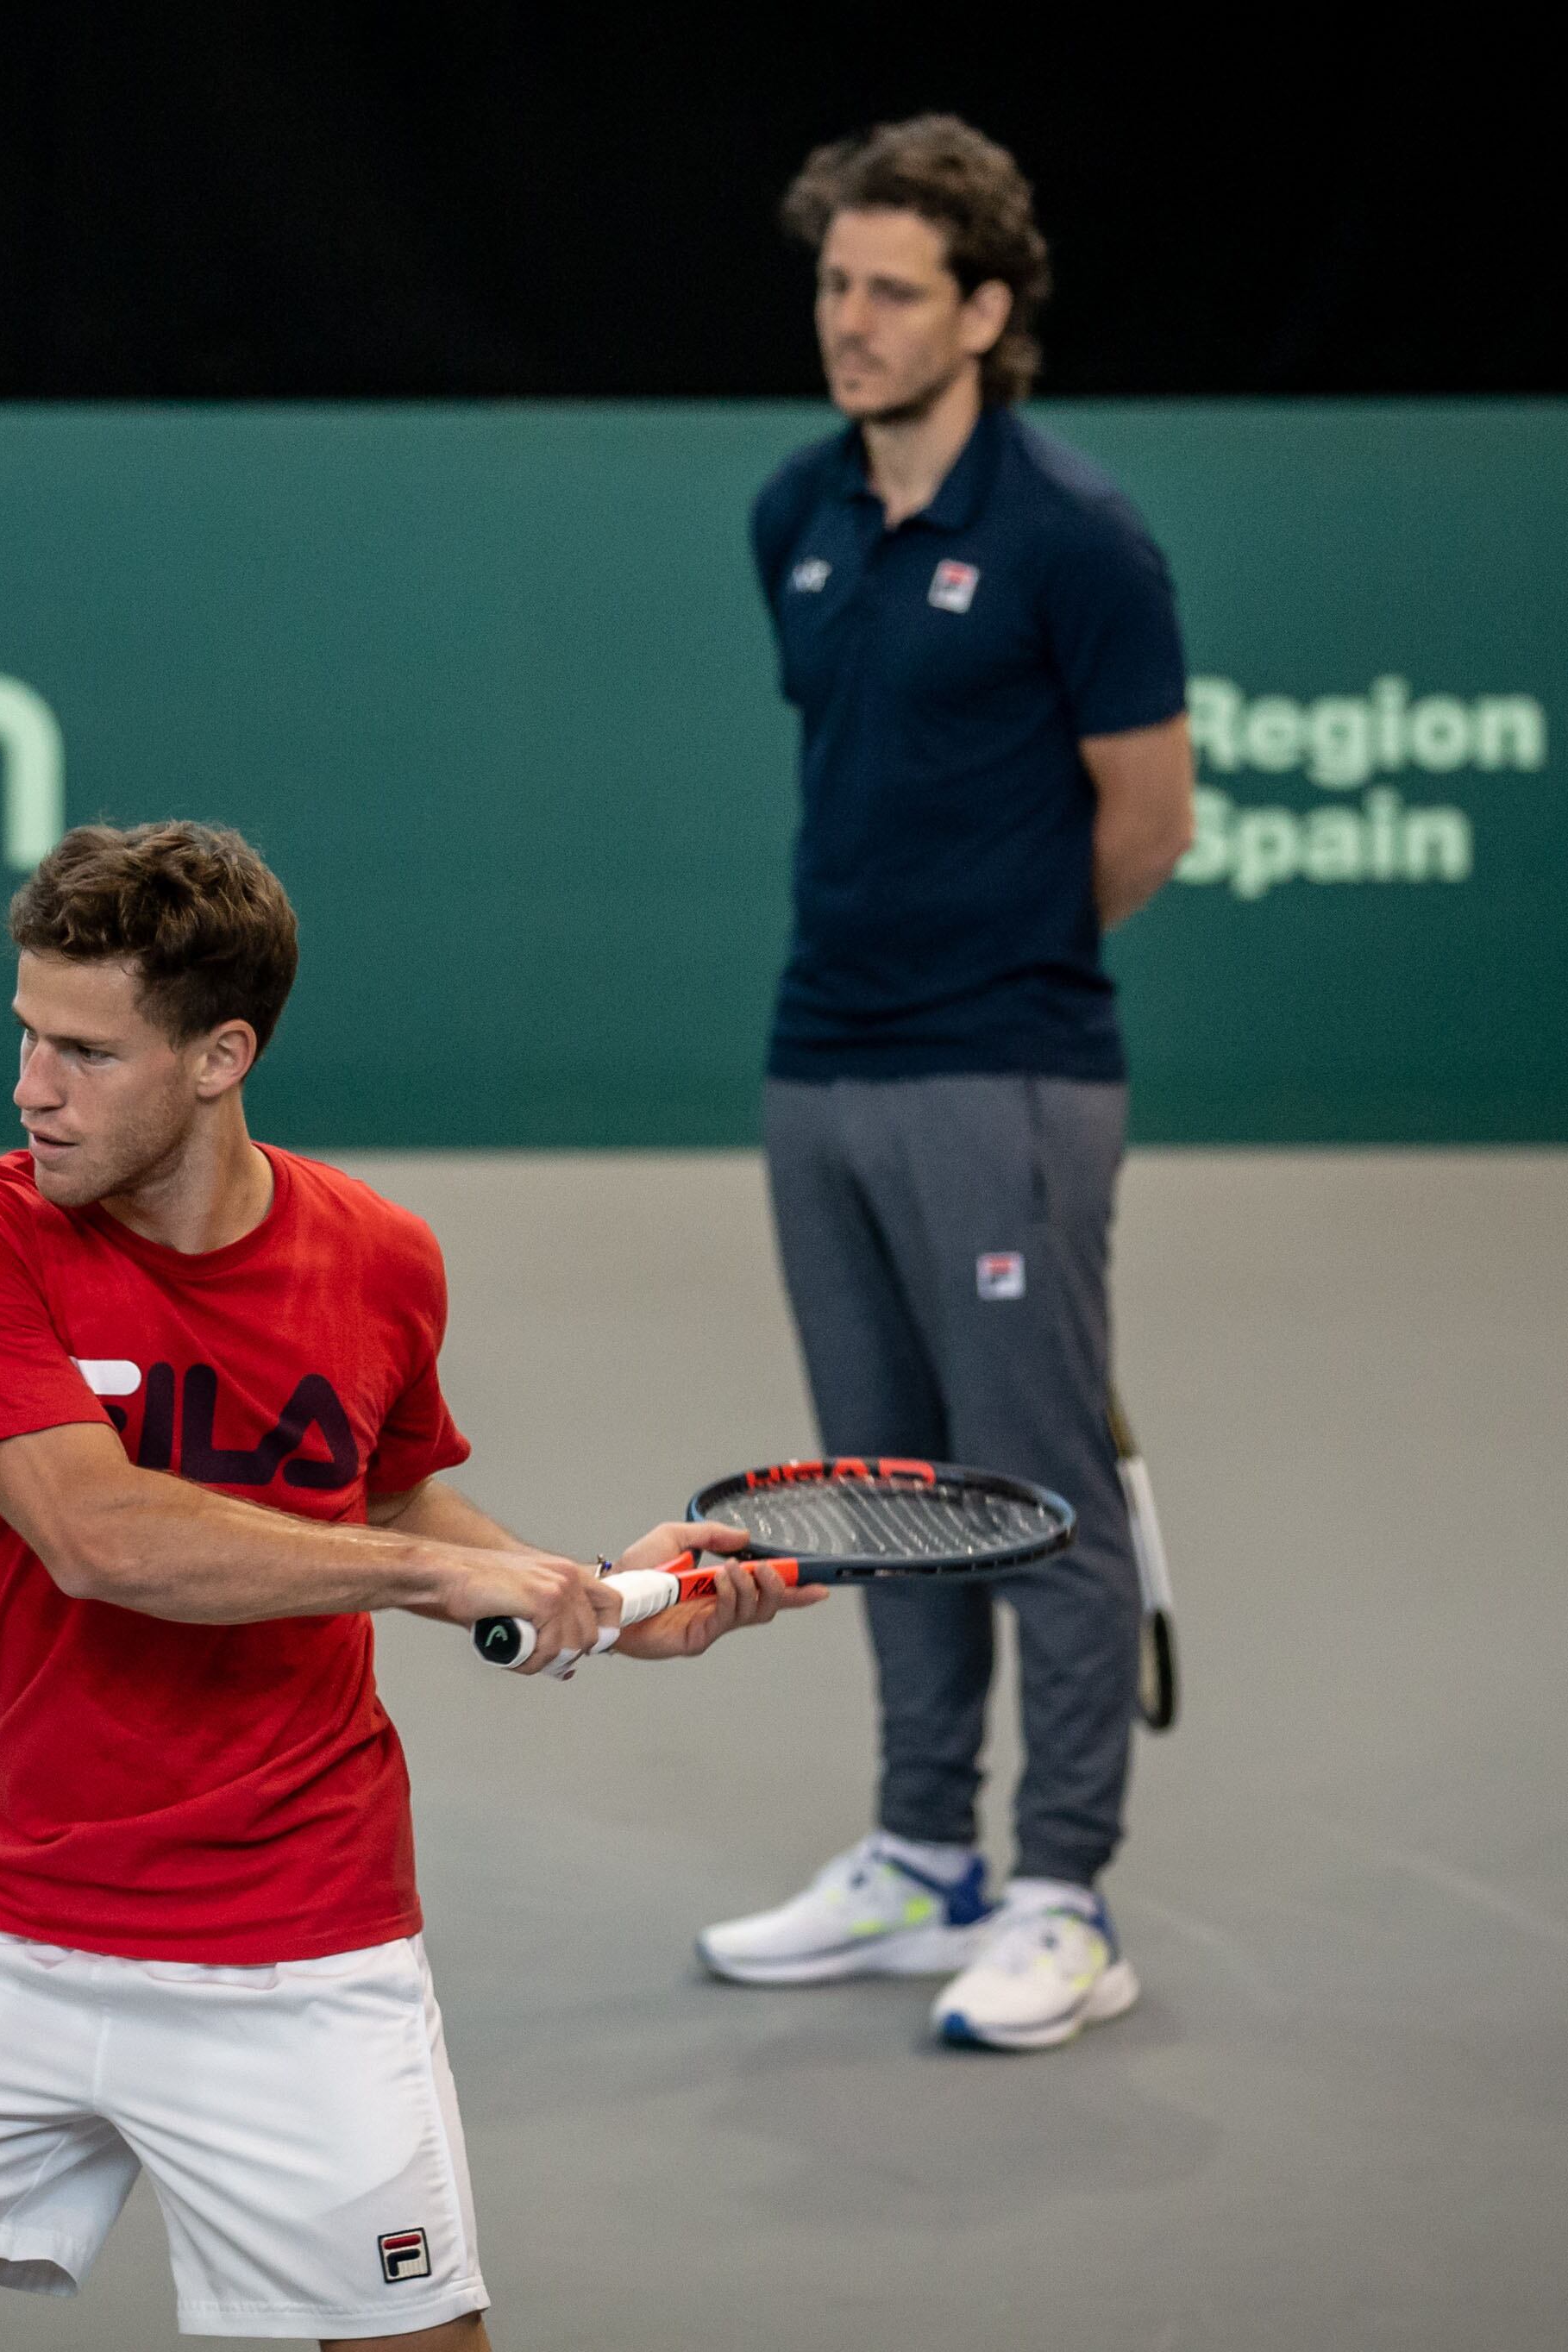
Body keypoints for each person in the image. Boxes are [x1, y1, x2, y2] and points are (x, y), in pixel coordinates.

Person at [0, 822, 817, 2352]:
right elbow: (97, 1538)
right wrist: (434, 1576)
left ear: (219, 1055)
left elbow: (383, 1488)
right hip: (24, 1913)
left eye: (88, 1053)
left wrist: (591, 1596)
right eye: (28, 1036)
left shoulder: (380, 1258)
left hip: (301, 1942)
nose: (30, 1089)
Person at [698, 116, 1197, 2051]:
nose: (850, 319)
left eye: (893, 288)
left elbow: (1142, 821)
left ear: (984, 311)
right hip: (814, 1065)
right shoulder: (792, 515)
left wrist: (988, 969)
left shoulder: (1078, 534)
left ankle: (1064, 1888)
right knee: (883, 1491)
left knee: (1034, 1492)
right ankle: (924, 1855)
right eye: (834, 282)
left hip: (1004, 1079)